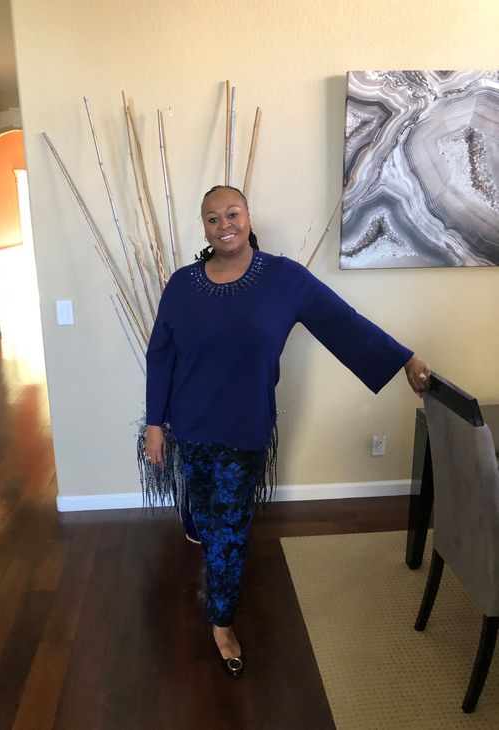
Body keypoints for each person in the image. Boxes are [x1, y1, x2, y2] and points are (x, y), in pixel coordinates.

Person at [142, 185, 430, 677]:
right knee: (209, 520)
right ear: (204, 227)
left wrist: (404, 357)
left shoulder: (283, 278)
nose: (223, 224)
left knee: (231, 528)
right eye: (212, 218)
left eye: (232, 213)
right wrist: (154, 424)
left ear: (248, 217)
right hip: (189, 426)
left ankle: (221, 621)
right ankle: (214, 578)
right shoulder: (182, 284)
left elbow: (343, 322)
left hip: (244, 428)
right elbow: (161, 354)